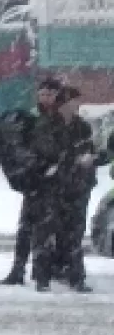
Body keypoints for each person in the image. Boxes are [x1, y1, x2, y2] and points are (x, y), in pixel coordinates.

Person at [30, 86, 99, 294]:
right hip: (53, 187)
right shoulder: (46, 126)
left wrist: (92, 159)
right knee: (46, 233)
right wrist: (73, 159)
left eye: (77, 102)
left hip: (78, 187)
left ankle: (76, 277)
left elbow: (89, 150)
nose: (76, 106)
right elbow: (47, 153)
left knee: (74, 235)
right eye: (72, 102)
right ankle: (42, 278)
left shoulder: (82, 127)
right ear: (62, 104)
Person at [0, 77, 62, 286]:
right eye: (42, 94)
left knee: (45, 231)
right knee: (25, 228)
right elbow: (22, 147)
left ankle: (42, 274)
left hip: (53, 182)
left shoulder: (61, 119)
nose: (45, 98)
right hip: (33, 181)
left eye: (49, 94)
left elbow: (61, 149)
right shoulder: (31, 119)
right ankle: (18, 270)